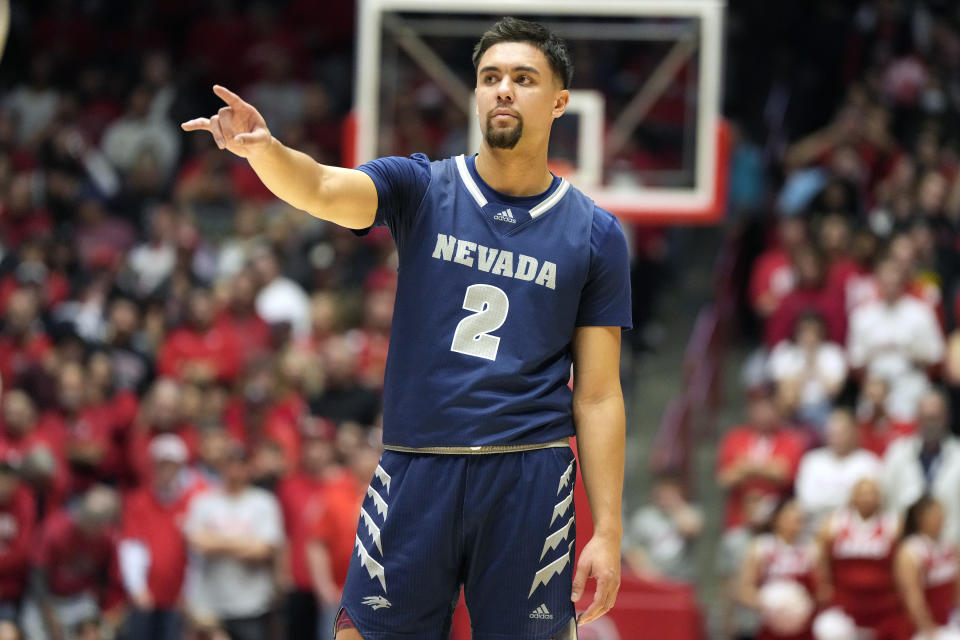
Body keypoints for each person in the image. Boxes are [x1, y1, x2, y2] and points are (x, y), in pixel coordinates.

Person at [183, 16, 631, 639]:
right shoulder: (421, 186)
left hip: (528, 472)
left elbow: (601, 393)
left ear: (559, 101)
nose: (503, 89)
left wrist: (608, 531)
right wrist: (265, 150)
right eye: (490, 77)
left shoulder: (595, 234)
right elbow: (320, 187)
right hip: (417, 462)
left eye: (523, 78)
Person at [183, 444, 284, 640]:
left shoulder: (263, 502)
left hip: (252, 605)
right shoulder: (203, 501)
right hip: (210, 605)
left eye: (239, 465)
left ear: (248, 468)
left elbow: (263, 550)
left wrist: (217, 541)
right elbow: (197, 543)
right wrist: (243, 542)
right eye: (229, 464)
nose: (234, 471)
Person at [815, 477, 907, 640]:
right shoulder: (835, 522)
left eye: (872, 493)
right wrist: (824, 584)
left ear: (880, 498)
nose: (867, 498)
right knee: (829, 629)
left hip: (883, 604)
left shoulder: (893, 523)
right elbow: (820, 557)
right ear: (853, 497)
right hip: (844, 603)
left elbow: (902, 563)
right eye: (863, 493)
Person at [881, 389, 960, 543]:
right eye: (926, 418)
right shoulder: (897, 453)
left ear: (947, 418)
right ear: (917, 418)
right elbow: (885, 499)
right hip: (907, 547)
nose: (931, 424)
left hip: (952, 547)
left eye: (936, 418)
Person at [736, 498, 818, 640]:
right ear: (776, 519)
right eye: (789, 516)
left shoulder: (812, 549)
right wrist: (769, 604)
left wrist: (802, 607)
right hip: (771, 627)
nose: (794, 521)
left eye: (798, 517)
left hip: (803, 625)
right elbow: (743, 590)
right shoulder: (761, 547)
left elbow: (822, 590)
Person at [795, 409, 880, 525]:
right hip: (814, 526)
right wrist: (847, 500)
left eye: (842, 433)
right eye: (832, 433)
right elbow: (807, 501)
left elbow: (869, 502)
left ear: (853, 432)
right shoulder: (812, 461)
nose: (836, 438)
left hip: (856, 529)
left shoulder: (869, 462)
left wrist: (826, 500)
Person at [893, 495, 959, 639]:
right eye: (934, 514)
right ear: (920, 518)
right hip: (920, 627)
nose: (940, 519)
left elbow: (957, 590)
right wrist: (930, 632)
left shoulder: (950, 546)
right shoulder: (910, 550)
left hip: (949, 622)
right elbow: (912, 598)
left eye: (941, 514)